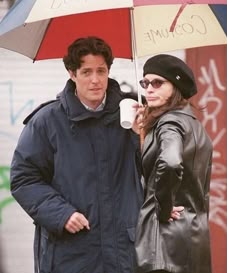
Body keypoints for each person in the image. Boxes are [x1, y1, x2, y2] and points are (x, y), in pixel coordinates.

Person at [10, 36, 144, 273]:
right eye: (86, 72)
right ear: (72, 74)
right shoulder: (47, 122)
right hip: (71, 254)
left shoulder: (131, 116)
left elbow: (153, 172)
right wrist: (61, 214)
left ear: (109, 71)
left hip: (125, 252)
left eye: (101, 71)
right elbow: (24, 179)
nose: (95, 80)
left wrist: (142, 137)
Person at [133, 54, 213, 273]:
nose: (149, 89)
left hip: (164, 244)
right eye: (145, 83)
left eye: (158, 83)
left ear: (176, 86)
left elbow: (170, 162)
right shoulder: (194, 124)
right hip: (194, 237)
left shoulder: (169, 123)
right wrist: (142, 132)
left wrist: (163, 207)